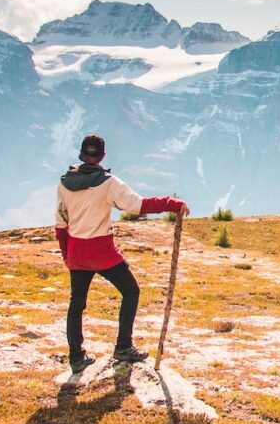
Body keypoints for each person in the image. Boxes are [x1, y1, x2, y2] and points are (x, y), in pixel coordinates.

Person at [54, 134, 189, 373]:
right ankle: (123, 346)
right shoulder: (108, 183)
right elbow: (137, 205)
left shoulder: (65, 183)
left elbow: (61, 224)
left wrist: (67, 254)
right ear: (102, 156)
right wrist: (171, 203)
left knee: (76, 304)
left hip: (77, 252)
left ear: (82, 154)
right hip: (102, 252)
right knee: (130, 290)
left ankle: (76, 357)